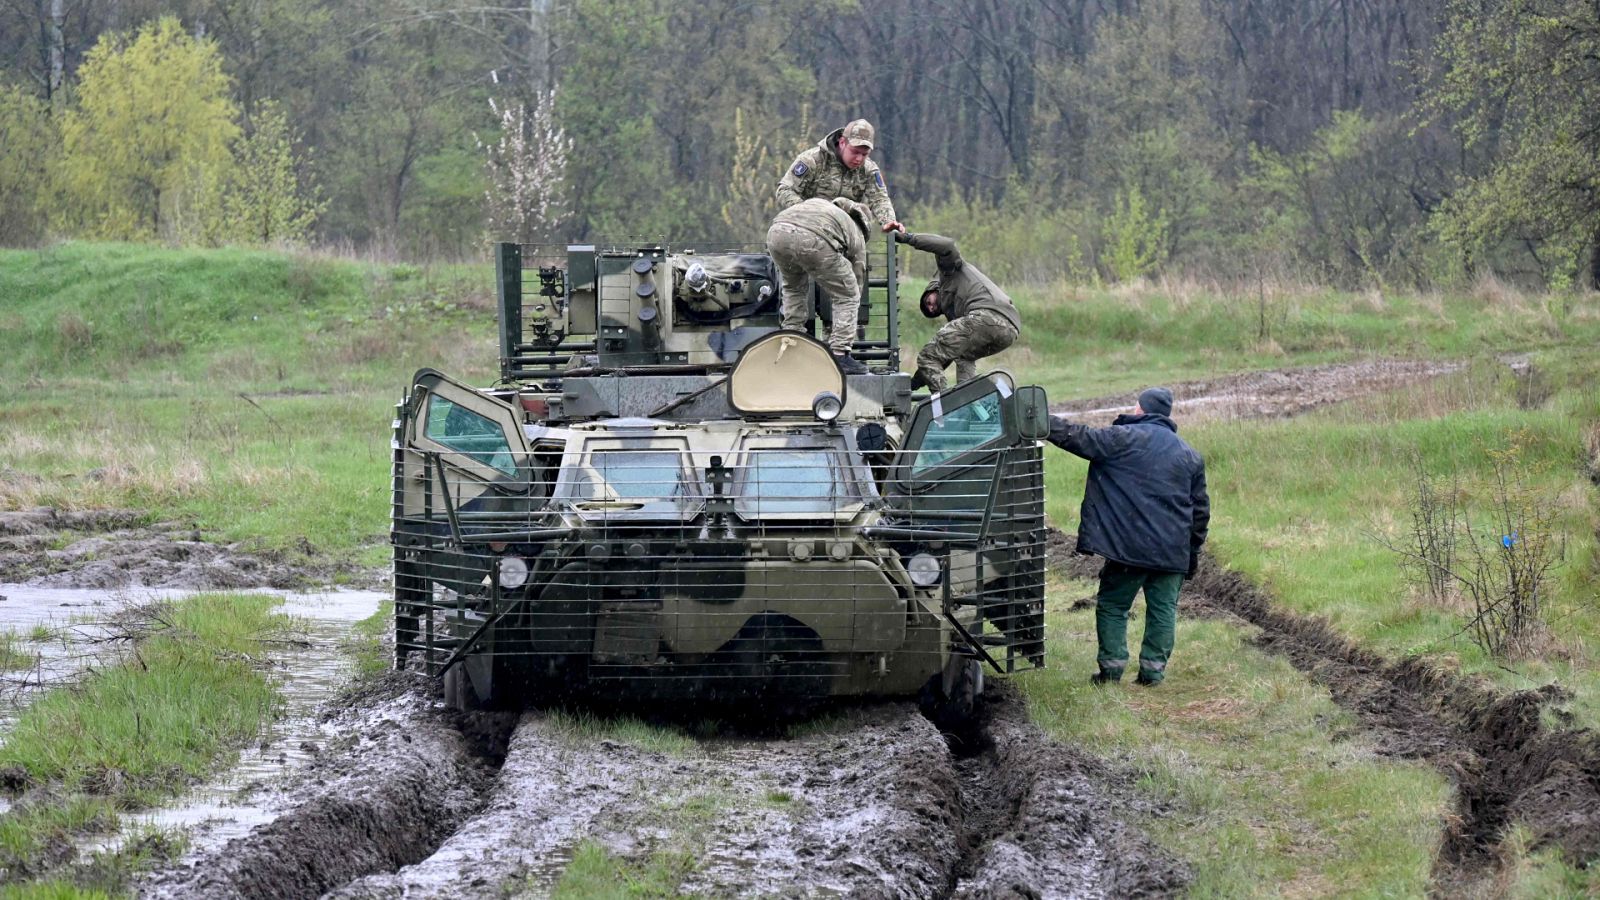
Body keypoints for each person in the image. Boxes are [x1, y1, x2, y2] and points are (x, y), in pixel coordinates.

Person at [1046, 388, 1210, 686]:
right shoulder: (1190, 455)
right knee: (1163, 612)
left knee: (1113, 605)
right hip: (1172, 552)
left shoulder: (1121, 439)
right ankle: (1152, 673)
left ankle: (1111, 671)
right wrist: (1192, 553)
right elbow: (1200, 513)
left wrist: (1039, 420)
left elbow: (1078, 436)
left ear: (1141, 410)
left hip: (1130, 549)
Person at [894, 230, 1020, 392]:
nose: (932, 307)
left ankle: (943, 407)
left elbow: (947, 245)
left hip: (987, 315)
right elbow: (943, 356)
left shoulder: (948, 273)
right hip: (1009, 330)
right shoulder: (955, 312)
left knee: (927, 356)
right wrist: (915, 383)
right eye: (931, 311)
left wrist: (908, 238)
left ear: (933, 290)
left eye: (929, 302)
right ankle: (968, 402)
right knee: (963, 357)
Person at [767, 197, 874, 374]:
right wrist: (847, 319)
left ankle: (790, 345)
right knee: (848, 295)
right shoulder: (856, 230)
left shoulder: (820, 205)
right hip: (812, 238)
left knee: (794, 289)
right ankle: (840, 355)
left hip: (777, 232)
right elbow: (857, 277)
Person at [776, 119, 903, 233]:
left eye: (864, 154)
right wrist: (809, 212)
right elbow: (784, 190)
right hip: (805, 228)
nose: (859, 159)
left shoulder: (868, 169)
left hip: (845, 233)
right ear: (842, 142)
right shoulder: (812, 160)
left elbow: (879, 199)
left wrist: (888, 221)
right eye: (855, 152)